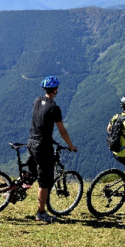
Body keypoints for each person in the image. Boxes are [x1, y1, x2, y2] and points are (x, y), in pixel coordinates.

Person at [27, 76, 77, 223]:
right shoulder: (54, 108)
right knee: (45, 181)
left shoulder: (37, 101)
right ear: (55, 89)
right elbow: (62, 130)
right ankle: (41, 213)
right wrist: (71, 146)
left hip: (31, 141)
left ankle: (12, 193)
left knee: (31, 172)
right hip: (43, 146)